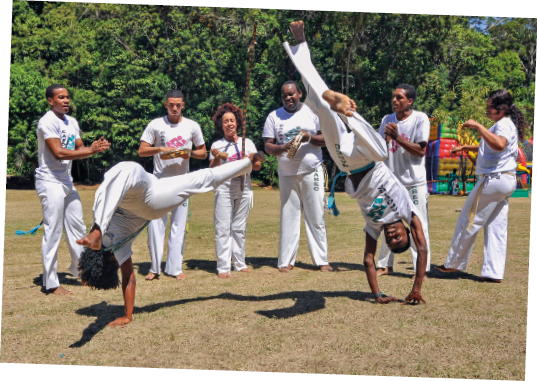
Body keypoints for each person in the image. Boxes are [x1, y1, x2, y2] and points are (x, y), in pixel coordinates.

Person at [284, 21, 427, 304]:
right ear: (405, 230)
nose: (394, 235)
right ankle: (347, 110)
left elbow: (368, 260)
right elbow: (422, 250)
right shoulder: (406, 211)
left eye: (392, 240)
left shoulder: (375, 227)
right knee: (383, 153)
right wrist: (417, 287)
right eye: (400, 236)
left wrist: (378, 294)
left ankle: (302, 46)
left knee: (317, 98)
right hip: (369, 158)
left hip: (346, 162)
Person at [76, 154, 265, 327]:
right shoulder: (116, 250)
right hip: (149, 200)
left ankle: (248, 163)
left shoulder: (116, 253)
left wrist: (127, 315)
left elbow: (128, 278)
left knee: (202, 178)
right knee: (124, 174)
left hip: (149, 185)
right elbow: (129, 279)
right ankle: (96, 231)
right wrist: (127, 315)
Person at [436, 89, 527, 283]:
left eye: (489, 106)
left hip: (493, 180)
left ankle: (453, 263)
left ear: (501, 109)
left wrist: (477, 126)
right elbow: (489, 144)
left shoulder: (502, 125)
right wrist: (465, 147)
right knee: (496, 226)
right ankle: (493, 272)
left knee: (468, 219)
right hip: (506, 179)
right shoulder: (504, 124)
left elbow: (499, 144)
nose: (486, 109)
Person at [35, 84, 110, 295]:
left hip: (66, 181)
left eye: (67, 97)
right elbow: (59, 153)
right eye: (61, 97)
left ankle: (81, 273)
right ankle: (51, 283)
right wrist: (90, 150)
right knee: (53, 231)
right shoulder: (46, 122)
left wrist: (93, 148)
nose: (66, 100)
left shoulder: (72, 122)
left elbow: (79, 149)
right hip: (49, 182)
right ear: (51, 101)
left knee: (77, 226)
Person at [263, 80, 332, 273]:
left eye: (292, 94)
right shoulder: (274, 116)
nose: (288, 98)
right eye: (285, 95)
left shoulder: (312, 112)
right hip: (287, 174)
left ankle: (322, 260)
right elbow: (268, 145)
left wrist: (309, 137)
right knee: (289, 216)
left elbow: (326, 139)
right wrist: (282, 148)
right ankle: (286, 261)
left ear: (300, 93)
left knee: (316, 215)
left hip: (312, 171)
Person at [138, 89, 207, 280]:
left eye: (178, 105)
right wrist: (160, 148)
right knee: (155, 224)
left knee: (179, 225)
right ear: (166, 105)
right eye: (171, 105)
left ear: (183, 105)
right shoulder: (155, 125)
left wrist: (190, 153)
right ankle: (154, 268)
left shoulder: (192, 126)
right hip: (159, 181)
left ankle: (175, 268)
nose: (175, 108)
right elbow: (142, 151)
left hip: (182, 182)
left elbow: (203, 152)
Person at [376, 84, 431, 281]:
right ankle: (384, 265)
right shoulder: (387, 119)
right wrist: (386, 140)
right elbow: (380, 149)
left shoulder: (420, 118)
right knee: (388, 223)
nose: (395, 101)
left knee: (419, 225)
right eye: (394, 97)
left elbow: (421, 150)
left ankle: (420, 269)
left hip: (413, 182)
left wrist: (397, 138)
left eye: (399, 98)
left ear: (410, 101)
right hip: (391, 182)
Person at [209, 103, 262, 278]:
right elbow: (212, 170)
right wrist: (216, 158)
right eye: (225, 121)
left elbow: (257, 167)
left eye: (232, 120)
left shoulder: (247, 143)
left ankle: (239, 263)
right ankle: (223, 266)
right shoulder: (217, 145)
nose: (229, 124)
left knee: (239, 228)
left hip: (244, 187)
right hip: (224, 188)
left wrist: (251, 159)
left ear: (237, 123)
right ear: (221, 125)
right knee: (223, 228)